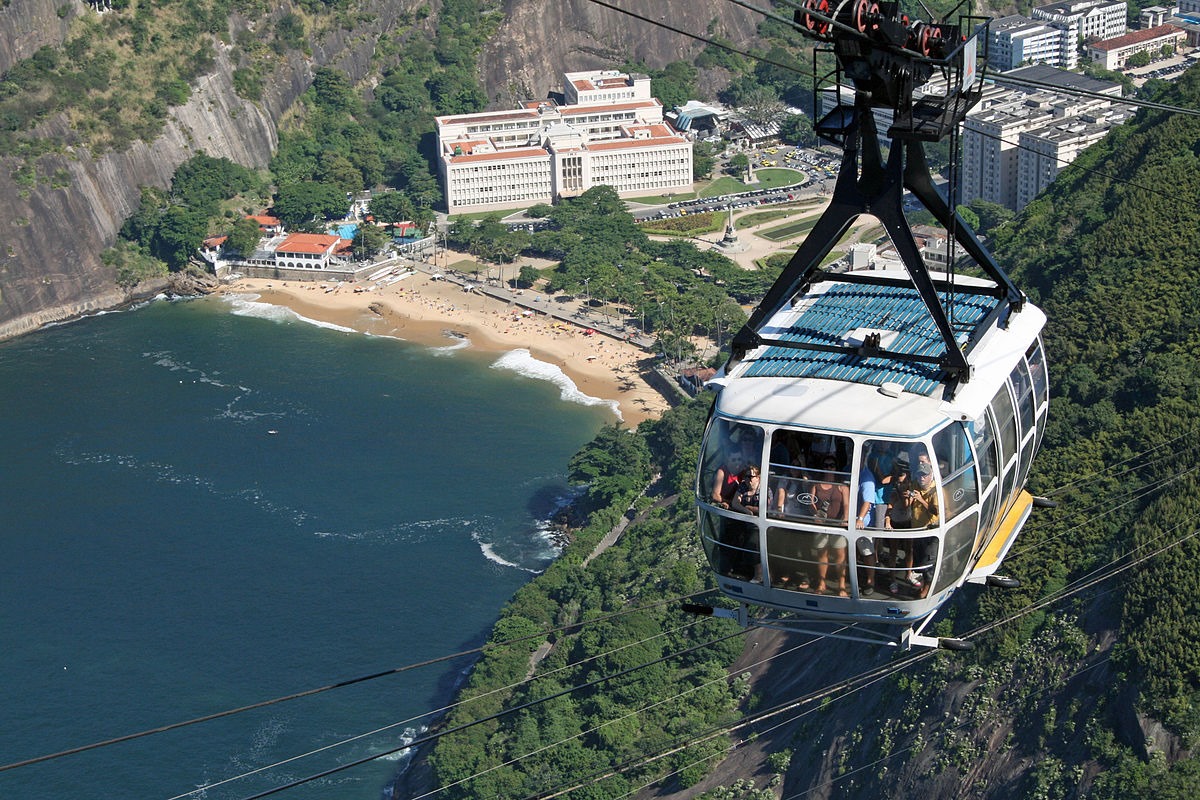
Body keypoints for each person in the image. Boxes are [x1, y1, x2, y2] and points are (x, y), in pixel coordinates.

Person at [809, 455, 849, 596]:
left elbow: (846, 505)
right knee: (822, 553)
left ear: (836, 467)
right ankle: (821, 582)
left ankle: (841, 585)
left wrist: (845, 519)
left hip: (837, 525)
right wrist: (817, 515)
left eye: (831, 465)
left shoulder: (842, 486)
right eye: (826, 465)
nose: (829, 468)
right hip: (821, 524)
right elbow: (811, 501)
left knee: (840, 555)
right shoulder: (816, 484)